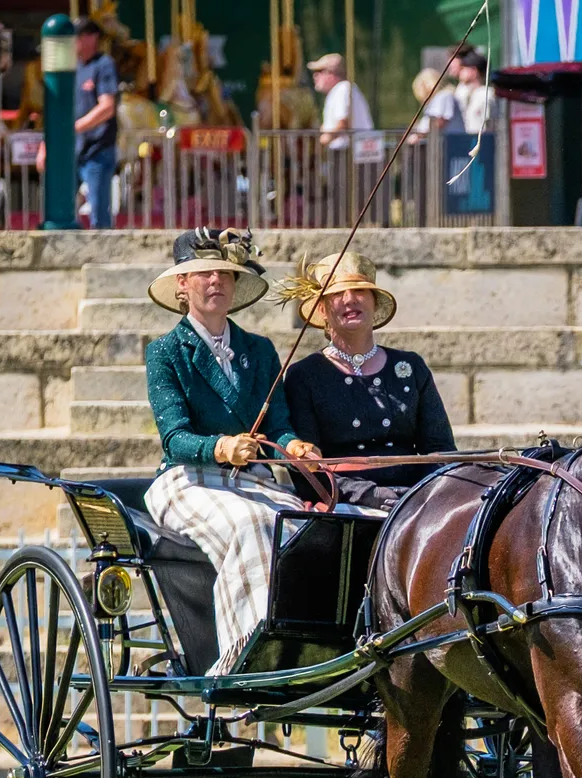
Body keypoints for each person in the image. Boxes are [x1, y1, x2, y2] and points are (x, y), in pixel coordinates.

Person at [141, 228, 323, 674]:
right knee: (250, 524)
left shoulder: (259, 350)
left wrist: (294, 446)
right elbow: (175, 438)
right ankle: (245, 653)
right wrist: (221, 447)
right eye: (203, 273)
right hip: (186, 480)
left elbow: (278, 426)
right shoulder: (165, 352)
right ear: (182, 285)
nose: (215, 281)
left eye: (225, 273)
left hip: (251, 480)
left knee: (304, 525)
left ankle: (310, 648)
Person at [281, 252, 454, 511]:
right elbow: (307, 469)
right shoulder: (304, 375)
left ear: (374, 302)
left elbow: (441, 450)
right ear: (321, 309)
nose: (350, 300)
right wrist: (368, 494)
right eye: (337, 294)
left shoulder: (409, 366)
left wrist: (427, 490)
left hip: (416, 497)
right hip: (345, 501)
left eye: (360, 291)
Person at [309, 52, 372, 222]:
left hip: (349, 154)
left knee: (345, 198)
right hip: (345, 153)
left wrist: (322, 141)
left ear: (331, 74)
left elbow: (343, 122)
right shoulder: (339, 91)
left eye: (320, 71)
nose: (315, 76)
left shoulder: (343, 89)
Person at [72, 17, 119, 230]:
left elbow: (107, 106)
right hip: (75, 150)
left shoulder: (104, 64)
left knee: (99, 213)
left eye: (78, 36)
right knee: (62, 206)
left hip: (98, 149)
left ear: (92, 38)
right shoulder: (74, 69)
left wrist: (75, 128)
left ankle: (104, 257)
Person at [411, 66, 463, 137]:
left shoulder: (444, 96)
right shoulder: (437, 99)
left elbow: (439, 122)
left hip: (452, 142)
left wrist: (418, 135)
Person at [451, 47, 492, 134]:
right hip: (468, 140)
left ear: (474, 71)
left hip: (483, 142)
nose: (460, 72)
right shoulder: (465, 92)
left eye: (463, 69)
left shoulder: (487, 94)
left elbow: (489, 124)